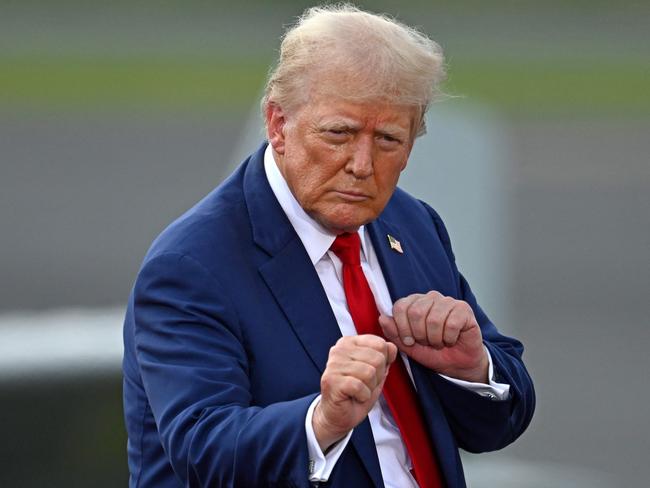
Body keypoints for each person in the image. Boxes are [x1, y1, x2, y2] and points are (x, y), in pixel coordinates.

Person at [122, 5, 535, 487]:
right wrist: (322, 421)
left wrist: (471, 367)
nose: (362, 164)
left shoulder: (413, 223)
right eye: (339, 133)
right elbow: (201, 451)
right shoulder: (192, 263)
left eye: (387, 139)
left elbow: (501, 420)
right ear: (278, 125)